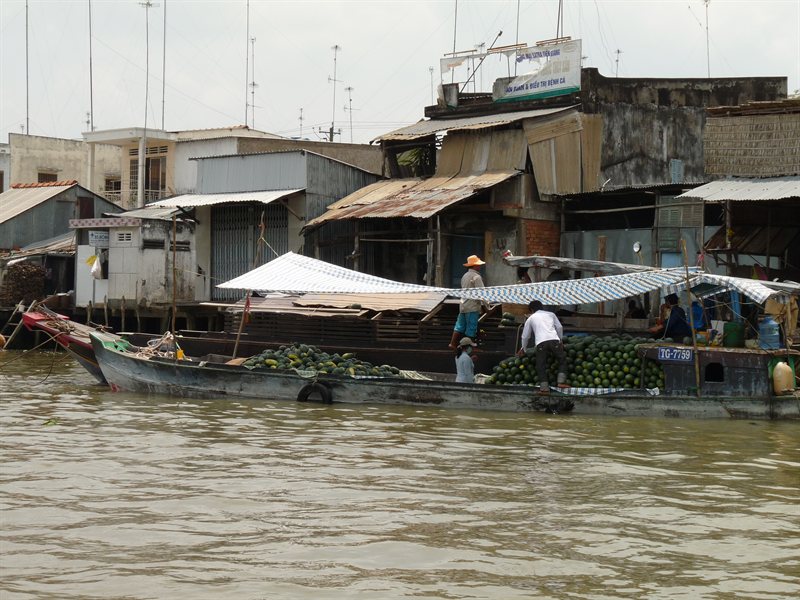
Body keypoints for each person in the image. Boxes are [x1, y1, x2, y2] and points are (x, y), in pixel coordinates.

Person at [517, 300, 568, 393]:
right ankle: (561, 382)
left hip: (541, 343)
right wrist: (560, 340)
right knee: (562, 360)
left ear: (531, 310)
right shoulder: (551, 314)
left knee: (541, 365)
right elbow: (559, 327)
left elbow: (525, 336)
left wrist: (523, 348)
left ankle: (544, 389)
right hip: (554, 340)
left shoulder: (531, 318)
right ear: (542, 307)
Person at [450, 254, 486, 349]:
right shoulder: (476, 277)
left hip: (463, 305)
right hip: (472, 306)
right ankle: (468, 348)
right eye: (478, 264)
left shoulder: (464, 276)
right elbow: (482, 293)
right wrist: (486, 305)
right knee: (471, 328)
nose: (479, 266)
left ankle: (452, 344)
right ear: (475, 266)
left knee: (459, 326)